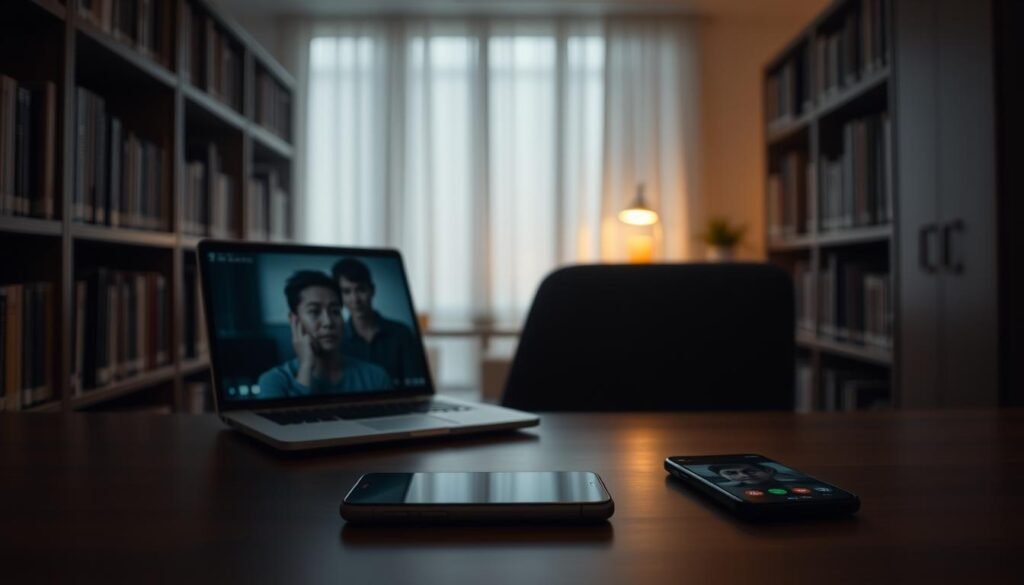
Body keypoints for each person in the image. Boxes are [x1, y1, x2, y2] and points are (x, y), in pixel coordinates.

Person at [257, 270, 392, 398]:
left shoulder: (375, 377)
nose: (328, 322)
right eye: (314, 312)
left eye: (335, 311)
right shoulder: (274, 381)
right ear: (294, 320)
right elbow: (292, 420)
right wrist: (306, 366)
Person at [331, 258, 423, 386]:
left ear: (372, 290)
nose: (355, 299)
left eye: (361, 289)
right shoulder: (335, 339)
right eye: (346, 292)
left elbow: (414, 384)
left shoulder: (402, 333)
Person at [707, 463, 802, 487]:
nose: (743, 475)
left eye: (750, 471)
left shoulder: (798, 482)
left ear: (769, 470)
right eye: (731, 473)